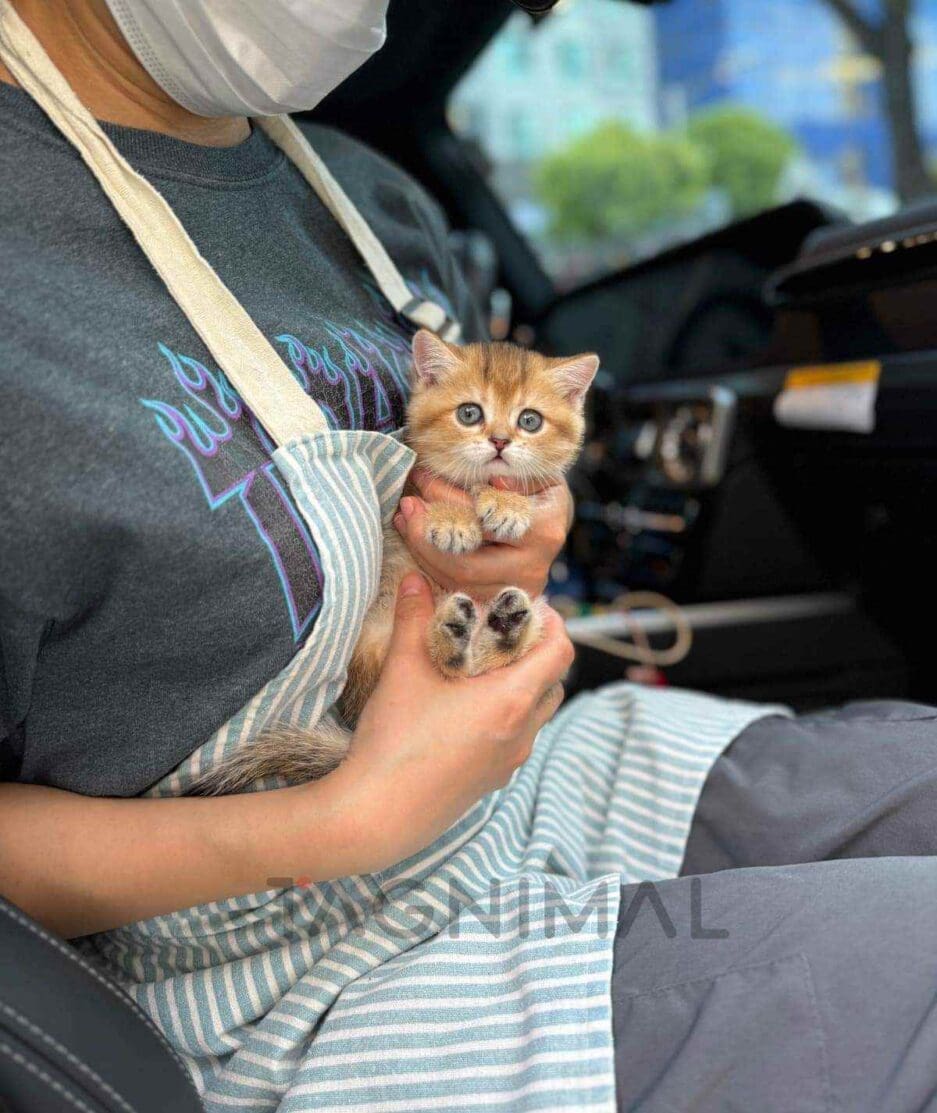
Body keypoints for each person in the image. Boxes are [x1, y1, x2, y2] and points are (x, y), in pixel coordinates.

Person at [1, 1, 936, 1109]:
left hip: (521, 793)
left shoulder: (365, 196)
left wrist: (495, 577)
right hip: (268, 965)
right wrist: (340, 823)